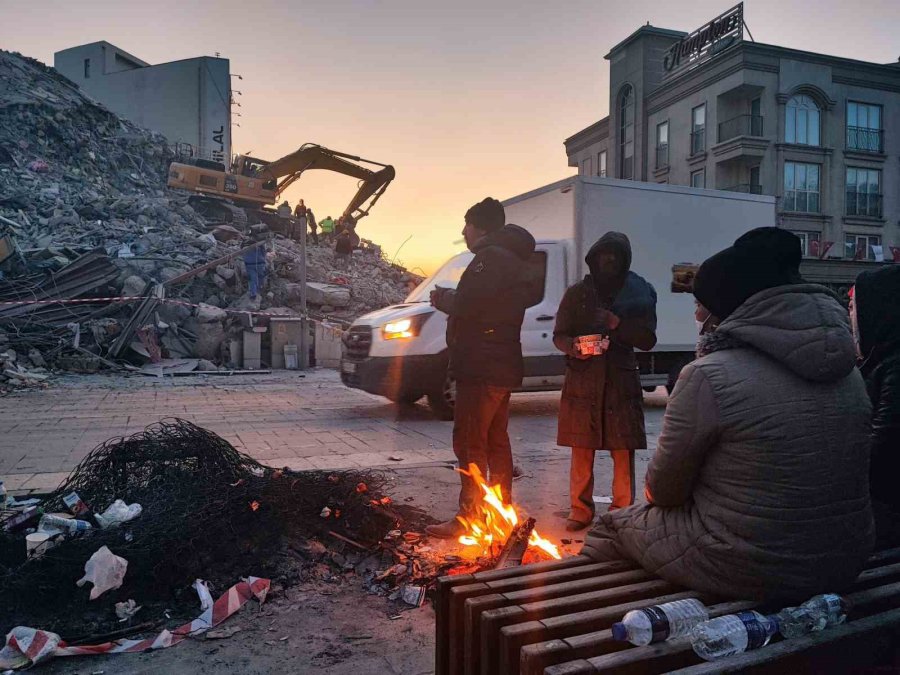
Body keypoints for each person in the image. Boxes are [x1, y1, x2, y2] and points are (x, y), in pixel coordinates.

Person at [581, 228, 874, 600]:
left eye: (702, 306)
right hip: (847, 557)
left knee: (612, 526)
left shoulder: (708, 375)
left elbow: (664, 492)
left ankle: (586, 618)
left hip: (752, 564)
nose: (697, 315)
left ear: (727, 311)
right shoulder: (849, 372)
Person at [425, 198, 536, 538]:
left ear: (481, 227)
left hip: (481, 365)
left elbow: (469, 304)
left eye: (467, 224)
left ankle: (469, 517)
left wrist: (442, 298)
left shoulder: (490, 259)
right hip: (501, 363)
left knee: (470, 441)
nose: (463, 231)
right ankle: (500, 513)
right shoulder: (513, 259)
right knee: (496, 440)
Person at [553, 233, 657, 531]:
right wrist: (574, 347)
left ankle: (621, 513)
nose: (609, 259)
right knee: (581, 447)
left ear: (624, 260)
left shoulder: (639, 293)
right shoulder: (577, 294)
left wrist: (617, 324)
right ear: (595, 257)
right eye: (604, 253)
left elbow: (648, 340)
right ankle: (580, 510)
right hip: (583, 382)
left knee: (623, 449)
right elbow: (560, 335)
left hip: (620, 382)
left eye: (615, 255)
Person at [851, 266, 900, 548]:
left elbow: (881, 453)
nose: (851, 316)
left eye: (853, 306)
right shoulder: (883, 360)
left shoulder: (893, 367)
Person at [242, 229, 269, 302]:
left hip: (250, 264)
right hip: (259, 263)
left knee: (253, 279)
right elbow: (264, 253)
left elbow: (242, 253)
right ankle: (258, 291)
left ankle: (253, 294)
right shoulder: (260, 243)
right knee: (259, 278)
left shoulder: (244, 243)